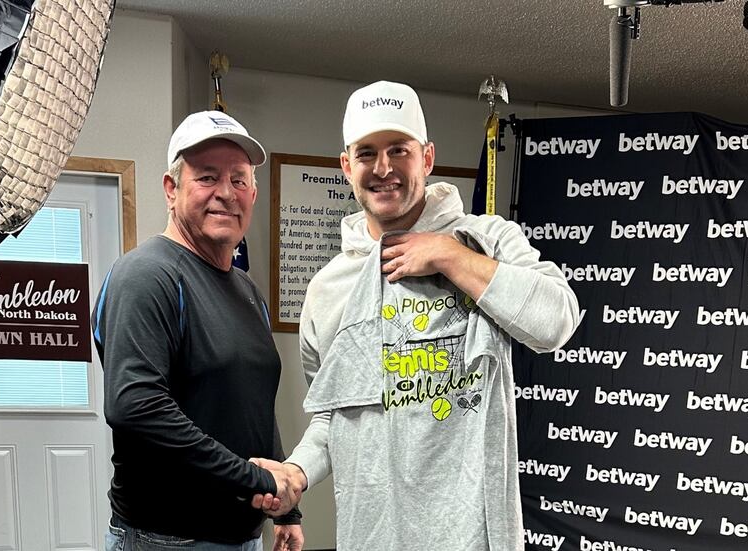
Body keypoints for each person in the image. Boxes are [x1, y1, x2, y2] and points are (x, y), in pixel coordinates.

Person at [261, 81, 580, 550]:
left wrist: (452, 258)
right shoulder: (328, 290)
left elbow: (556, 320)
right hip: (373, 537)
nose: (384, 168)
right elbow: (333, 419)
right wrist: (296, 470)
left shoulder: (486, 240)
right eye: (367, 153)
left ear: (426, 158)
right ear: (347, 166)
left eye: (399, 150)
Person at [92, 111, 304, 551]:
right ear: (172, 189)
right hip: (167, 539)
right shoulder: (147, 275)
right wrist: (256, 479)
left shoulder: (245, 288)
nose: (226, 193)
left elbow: (254, 403)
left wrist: (285, 508)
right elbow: (136, 406)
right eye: (207, 177)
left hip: (242, 535)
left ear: (253, 193)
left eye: (239, 179)